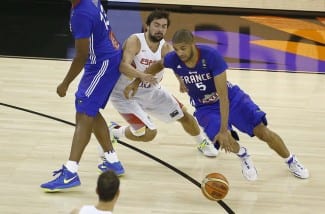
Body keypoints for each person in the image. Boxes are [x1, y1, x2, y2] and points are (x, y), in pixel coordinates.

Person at [125, 29, 309, 180]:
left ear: (192, 45)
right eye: (177, 49)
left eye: (183, 49)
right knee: (222, 140)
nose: (179, 53)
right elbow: (158, 65)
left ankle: (291, 160)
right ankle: (244, 154)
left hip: (231, 99)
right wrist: (136, 81)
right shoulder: (174, 58)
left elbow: (223, 97)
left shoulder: (211, 56)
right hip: (204, 107)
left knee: (262, 132)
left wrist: (224, 128)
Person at [97, 10, 218, 170]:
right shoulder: (135, 40)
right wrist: (142, 76)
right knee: (148, 134)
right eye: (156, 25)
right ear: (147, 26)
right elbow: (123, 66)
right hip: (125, 94)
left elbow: (176, 65)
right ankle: (116, 132)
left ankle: (202, 142)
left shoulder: (165, 47)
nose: (160, 29)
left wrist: (181, 80)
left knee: (185, 116)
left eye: (164, 26)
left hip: (152, 92)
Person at [40, 0, 125, 192]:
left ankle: (70, 173)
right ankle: (112, 161)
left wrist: (65, 83)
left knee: (84, 113)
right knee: (89, 110)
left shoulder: (82, 14)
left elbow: (81, 55)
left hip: (102, 63)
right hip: (105, 57)